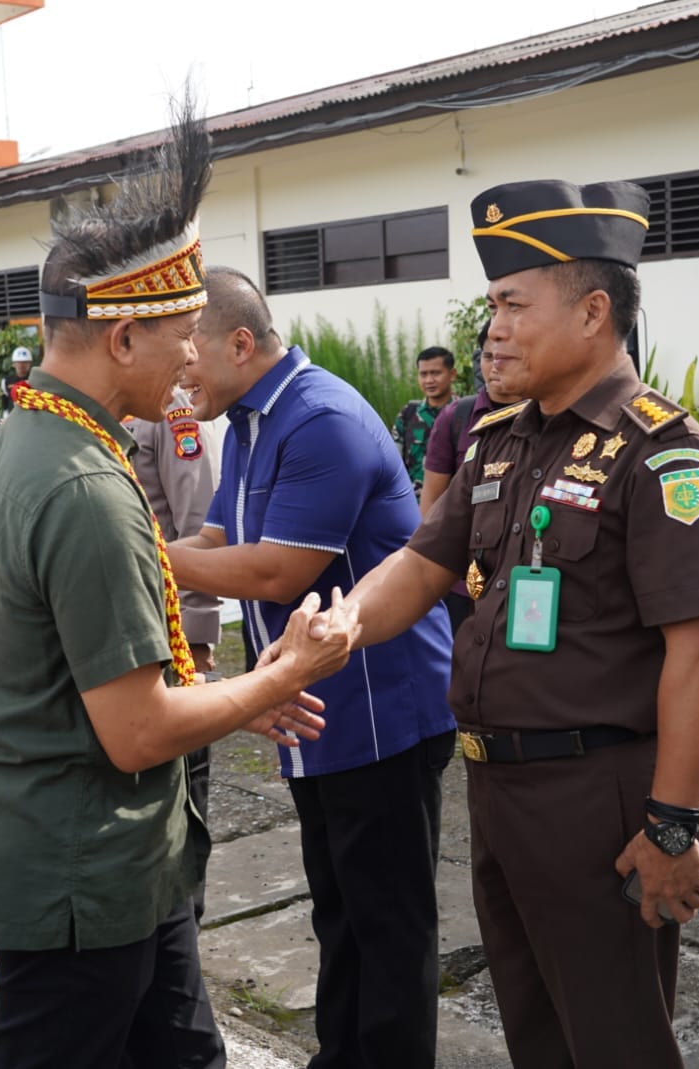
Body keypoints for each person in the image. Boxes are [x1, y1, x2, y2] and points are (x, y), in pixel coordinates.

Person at [0, 105, 359, 1069]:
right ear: (123, 336)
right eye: (181, 330)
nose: (193, 354)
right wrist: (277, 676)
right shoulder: (86, 483)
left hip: (120, 862)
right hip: (82, 872)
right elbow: (133, 729)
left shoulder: (28, 435)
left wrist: (232, 700)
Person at [311, 179, 699, 1068]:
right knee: (537, 1033)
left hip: (599, 797)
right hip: (499, 791)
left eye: (512, 304)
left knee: (615, 1039)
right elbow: (423, 565)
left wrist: (671, 828)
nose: (491, 329)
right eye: (490, 307)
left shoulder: (662, 454)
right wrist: (334, 631)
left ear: (593, 312)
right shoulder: (502, 437)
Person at [169, 266, 457, 1069]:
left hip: (378, 711)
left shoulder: (321, 417)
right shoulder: (253, 419)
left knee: (389, 925)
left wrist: (145, 558)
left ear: (238, 342)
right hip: (313, 710)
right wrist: (141, 551)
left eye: (186, 351)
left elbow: (274, 573)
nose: (178, 370)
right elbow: (221, 539)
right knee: (338, 910)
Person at [125, 388, 221, 917]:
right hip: (121, 637)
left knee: (184, 786)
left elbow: (199, 525)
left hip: (170, 633)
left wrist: (198, 639)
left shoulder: (169, 405)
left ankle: (186, 917)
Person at [421, 318, 525, 631]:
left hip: (523, 584)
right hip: (459, 585)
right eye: (487, 356)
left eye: (504, 357)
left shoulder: (547, 417)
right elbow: (431, 510)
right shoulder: (457, 417)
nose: (495, 366)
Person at [391, 345, 457, 493]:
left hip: (452, 507)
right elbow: (393, 463)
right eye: (423, 374)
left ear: (452, 374)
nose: (429, 380)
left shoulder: (464, 413)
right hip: (413, 506)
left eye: (435, 373)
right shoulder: (408, 414)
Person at [1, 346, 33, 413]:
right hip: (14, 415)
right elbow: (4, 398)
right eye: (18, 362)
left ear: (30, 364)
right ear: (13, 364)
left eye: (25, 362)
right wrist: (5, 412)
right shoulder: (6, 381)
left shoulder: (35, 379)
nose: (21, 365)